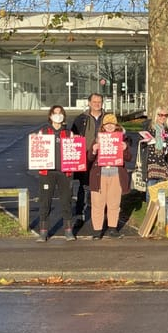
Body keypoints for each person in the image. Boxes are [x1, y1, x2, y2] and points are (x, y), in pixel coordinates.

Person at [88, 113, 132, 239]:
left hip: (116, 175)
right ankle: (97, 230)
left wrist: (124, 149)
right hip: (99, 175)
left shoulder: (122, 139)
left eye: (112, 124)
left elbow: (129, 158)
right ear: (103, 126)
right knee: (97, 203)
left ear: (116, 125)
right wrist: (94, 150)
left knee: (114, 203)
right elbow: (89, 158)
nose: (109, 127)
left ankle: (113, 228)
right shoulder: (97, 139)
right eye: (107, 124)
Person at [35, 105, 75, 242]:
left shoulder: (69, 133)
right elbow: (36, 149)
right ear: (50, 116)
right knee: (45, 201)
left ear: (63, 116)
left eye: (60, 113)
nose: (58, 115)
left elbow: (75, 152)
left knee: (66, 201)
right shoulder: (43, 132)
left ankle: (68, 230)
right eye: (55, 113)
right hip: (47, 172)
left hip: (65, 172)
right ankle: (43, 231)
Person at [71, 93, 105, 227]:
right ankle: (80, 214)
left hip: (104, 157)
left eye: (100, 101)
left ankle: (102, 215)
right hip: (85, 157)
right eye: (95, 102)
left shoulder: (108, 118)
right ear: (89, 103)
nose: (97, 104)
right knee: (84, 186)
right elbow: (72, 136)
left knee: (102, 186)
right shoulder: (81, 119)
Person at [141, 105, 168, 202]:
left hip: (164, 164)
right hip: (151, 164)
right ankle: (151, 215)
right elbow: (141, 145)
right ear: (156, 115)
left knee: (163, 193)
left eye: (165, 115)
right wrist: (147, 141)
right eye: (160, 115)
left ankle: (163, 215)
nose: (163, 117)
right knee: (151, 191)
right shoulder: (149, 128)